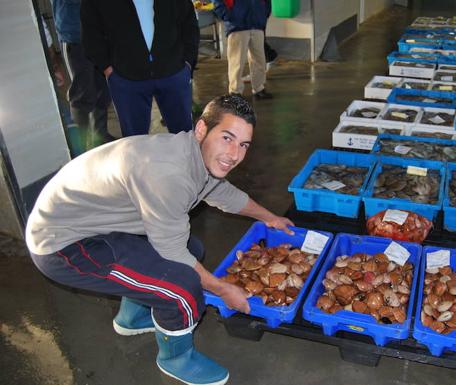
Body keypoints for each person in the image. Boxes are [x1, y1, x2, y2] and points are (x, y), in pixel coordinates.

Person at [25, 95, 294, 385]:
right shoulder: (168, 173)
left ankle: (130, 319)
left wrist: (269, 218)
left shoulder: (194, 152)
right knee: (182, 288)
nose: (234, 154)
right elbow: (173, 252)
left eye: (243, 144)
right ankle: (175, 358)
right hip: (63, 245)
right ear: (202, 129)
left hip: (96, 225)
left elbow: (224, 194)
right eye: (227, 137)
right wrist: (222, 288)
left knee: (193, 249)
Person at [81, 0, 200, 137]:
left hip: (174, 73)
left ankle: (184, 159)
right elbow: (90, 35)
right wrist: (107, 68)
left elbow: (189, 24)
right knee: (134, 142)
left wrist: (188, 63)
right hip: (126, 79)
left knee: (184, 136)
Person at [51, 0, 114, 150]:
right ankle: (82, 147)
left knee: (103, 90)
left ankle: (100, 136)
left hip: (99, 35)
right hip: (75, 37)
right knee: (82, 94)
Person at [213, 0, 273, 99]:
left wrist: (264, 13)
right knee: (236, 61)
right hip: (237, 25)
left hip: (256, 23)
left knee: (259, 60)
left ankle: (259, 88)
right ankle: (235, 91)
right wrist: (227, 15)